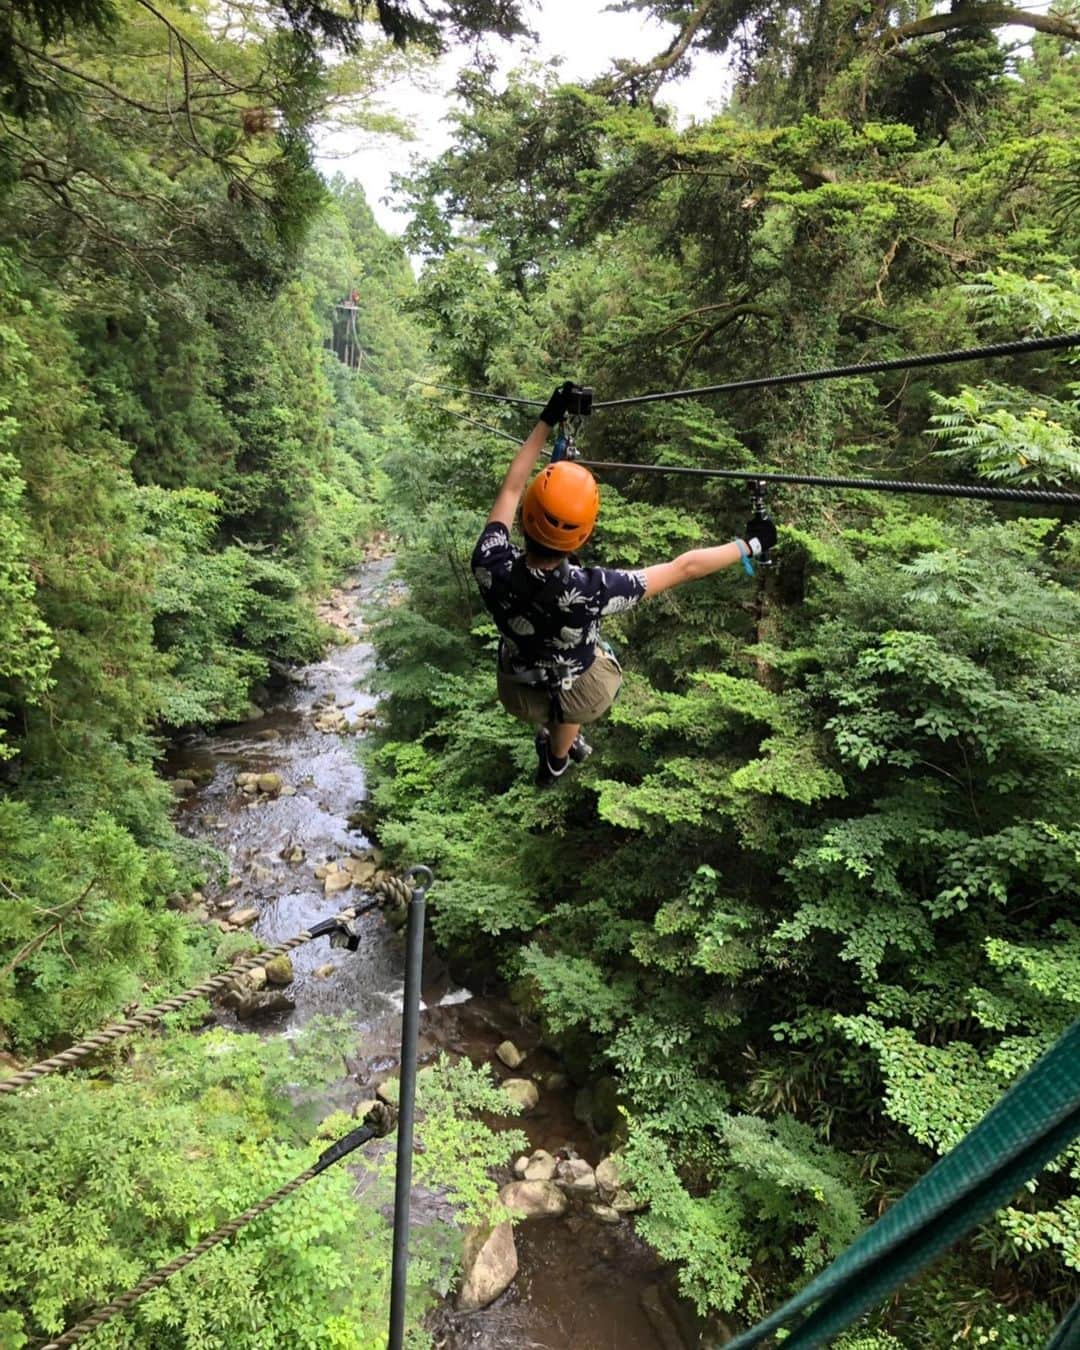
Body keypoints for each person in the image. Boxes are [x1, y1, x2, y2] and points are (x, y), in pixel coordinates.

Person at [471, 381, 778, 787]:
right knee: (585, 672)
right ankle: (558, 756)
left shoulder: (490, 562)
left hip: (518, 692)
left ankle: (557, 752)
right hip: (583, 693)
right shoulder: (594, 590)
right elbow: (683, 568)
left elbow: (511, 487)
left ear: (527, 515)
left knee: (554, 677)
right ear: (582, 536)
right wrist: (752, 544)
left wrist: (547, 417)